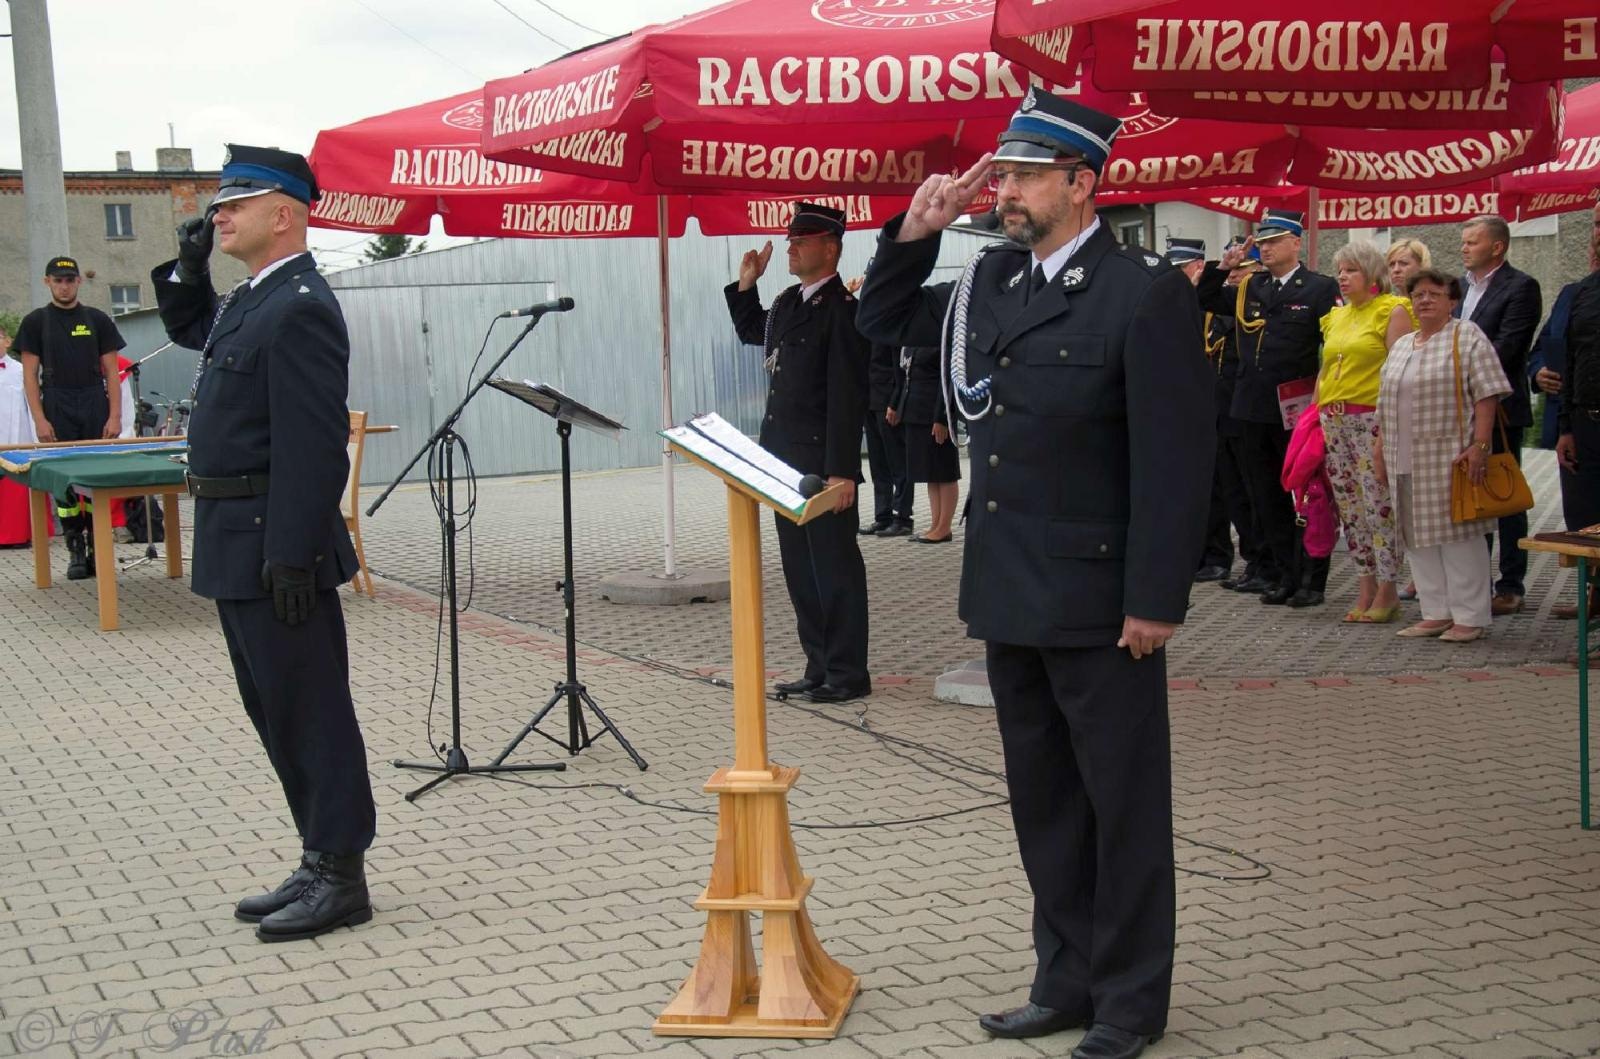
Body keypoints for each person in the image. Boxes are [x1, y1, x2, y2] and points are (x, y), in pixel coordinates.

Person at [857, 87, 1212, 1059]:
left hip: (1102, 604)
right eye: (1001, 174)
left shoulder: (1143, 292)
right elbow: (879, 324)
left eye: (1020, 175)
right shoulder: (999, 283)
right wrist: (913, 233)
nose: (1002, 189)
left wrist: (1154, 598)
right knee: (1047, 807)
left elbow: (1176, 460)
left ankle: (1131, 1002)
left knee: (1123, 809)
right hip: (1010, 590)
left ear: (1081, 182)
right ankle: (1064, 980)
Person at [150, 144, 375, 942]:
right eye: (218, 204)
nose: (220, 214)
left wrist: (291, 555)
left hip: (274, 548)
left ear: (283, 213)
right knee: (276, 711)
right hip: (236, 542)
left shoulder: (303, 304)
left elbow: (316, 450)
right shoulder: (255, 298)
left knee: (311, 711)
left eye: (235, 203)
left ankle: (341, 874)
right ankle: (319, 855)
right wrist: (187, 267)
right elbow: (190, 327)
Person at [725, 203, 871, 704]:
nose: (790, 247)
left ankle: (848, 672)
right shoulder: (789, 301)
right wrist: (747, 283)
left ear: (830, 247)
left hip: (821, 464)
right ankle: (818, 665)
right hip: (783, 459)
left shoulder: (843, 312)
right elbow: (754, 333)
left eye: (800, 240)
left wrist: (842, 472)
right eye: (790, 240)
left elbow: (848, 396)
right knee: (800, 569)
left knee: (834, 569)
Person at [1201, 212, 1340, 607]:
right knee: (1265, 497)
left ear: (1296, 243)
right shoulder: (1251, 287)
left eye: (1275, 240)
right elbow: (1204, 298)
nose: (1266, 247)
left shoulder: (1317, 288)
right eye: (1263, 241)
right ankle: (1282, 574)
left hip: (1296, 410)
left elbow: (1333, 346)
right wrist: (1223, 267)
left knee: (1306, 497)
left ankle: (1311, 579)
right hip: (1251, 407)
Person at [1375, 270, 1511, 643]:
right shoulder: (1403, 344)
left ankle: (1469, 616)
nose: (1425, 300)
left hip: (1450, 453)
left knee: (1458, 536)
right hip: (1402, 453)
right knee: (1417, 535)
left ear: (1453, 301)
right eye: (1418, 294)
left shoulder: (1466, 335)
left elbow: (1488, 393)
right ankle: (1436, 612)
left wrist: (1480, 445)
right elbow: (1385, 401)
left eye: (1435, 294)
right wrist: (1379, 449)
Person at [1315, 240, 1415, 622]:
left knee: (1379, 505)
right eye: (1340, 270)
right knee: (1350, 508)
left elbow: (1398, 373)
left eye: (1352, 270)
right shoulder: (1336, 316)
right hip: (1334, 418)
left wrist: (1386, 430)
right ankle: (1365, 583)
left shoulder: (1392, 310)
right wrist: (1315, 414)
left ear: (1373, 275)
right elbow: (1324, 369)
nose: (1342, 276)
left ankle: (1389, 587)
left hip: (1371, 418)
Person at [11, 256, 125, 578]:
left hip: (93, 401)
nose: (64, 285)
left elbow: (113, 374)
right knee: (65, 484)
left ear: (79, 282)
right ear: (47, 282)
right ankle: (75, 547)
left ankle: (96, 547)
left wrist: (114, 416)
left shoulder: (97, 319)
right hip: (57, 403)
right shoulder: (36, 322)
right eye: (58, 280)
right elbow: (30, 376)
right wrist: (39, 419)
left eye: (69, 279)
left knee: (96, 478)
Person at [1458, 215, 1542, 615]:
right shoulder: (1458, 289)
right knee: (1470, 497)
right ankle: (1473, 581)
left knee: (1503, 495)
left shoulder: (1520, 287)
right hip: (1459, 408)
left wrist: (1454, 368)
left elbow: (1507, 346)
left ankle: (1510, 584)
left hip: (1502, 409)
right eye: (1463, 241)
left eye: (1472, 242)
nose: (1464, 248)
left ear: (1497, 247)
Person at [1169, 238, 1255, 584]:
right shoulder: (1177, 302)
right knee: (1198, 487)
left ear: (1198, 267)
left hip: (1226, 404)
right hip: (1192, 405)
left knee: (1230, 487)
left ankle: (1226, 556)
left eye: (1182, 269)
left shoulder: (1219, 300)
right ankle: (1204, 553)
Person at [1551, 203, 1600, 620]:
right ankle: (1595, 599)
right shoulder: (1582, 291)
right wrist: (1565, 426)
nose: (1599, 232)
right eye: (1597, 223)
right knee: (1585, 522)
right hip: (1586, 422)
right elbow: (1568, 361)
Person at [1386, 239, 1431, 603]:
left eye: (1404, 263)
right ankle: (1418, 575)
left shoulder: (1421, 309)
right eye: (1392, 264)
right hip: (1393, 415)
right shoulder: (1392, 306)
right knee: (1404, 501)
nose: (1397, 270)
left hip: (1427, 419)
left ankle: (1428, 579)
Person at [894, 345, 959, 543]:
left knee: (944, 470)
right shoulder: (914, 340)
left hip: (935, 413)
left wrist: (942, 417)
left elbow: (946, 380)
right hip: (917, 411)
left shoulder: (941, 338)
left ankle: (944, 526)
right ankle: (935, 524)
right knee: (931, 472)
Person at [861, 338, 914, 537]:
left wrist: (895, 402)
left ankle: (903, 517)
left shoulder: (887, 329)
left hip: (887, 401)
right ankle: (882, 516)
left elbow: (899, 369)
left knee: (898, 463)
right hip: (870, 400)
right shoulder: (863, 327)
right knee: (878, 464)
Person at [0, 326, 42, 547]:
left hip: (18, 437)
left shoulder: (21, 371)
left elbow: (32, 403)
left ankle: (18, 535)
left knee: (16, 490)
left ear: (7, 341)